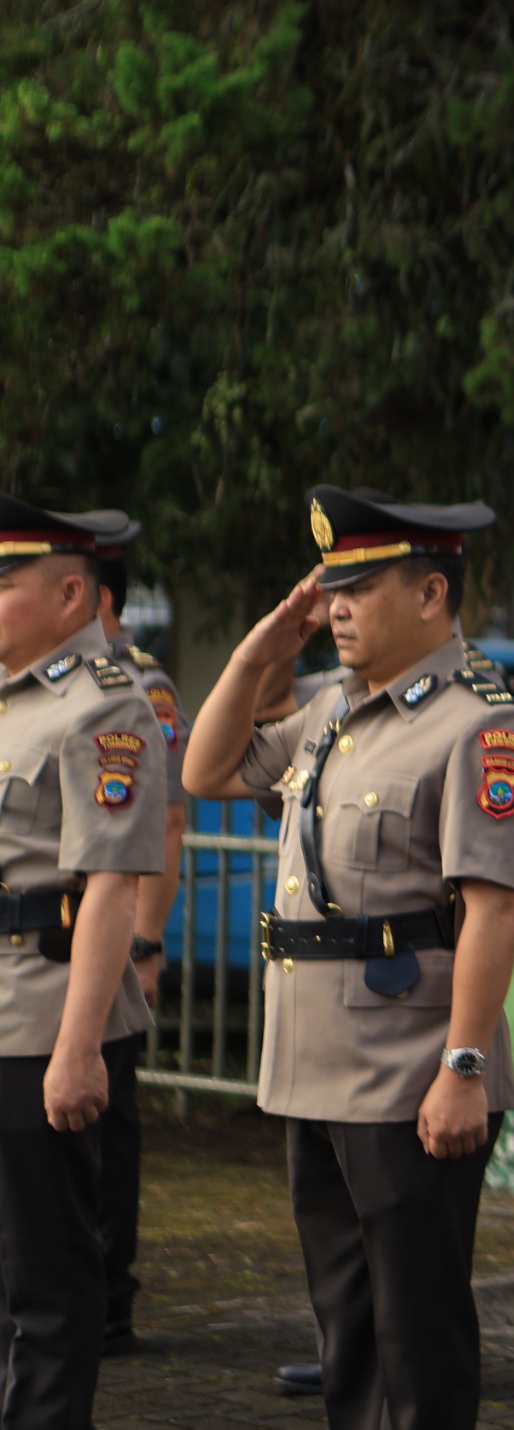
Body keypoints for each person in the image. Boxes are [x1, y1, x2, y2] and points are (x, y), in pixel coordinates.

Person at [184, 487, 514, 1430]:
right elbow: (206, 772)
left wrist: (463, 1068)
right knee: (346, 1337)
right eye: (331, 590)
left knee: (417, 1342)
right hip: (315, 1067)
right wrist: (260, 651)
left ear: (430, 594)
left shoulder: (479, 725)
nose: (336, 609)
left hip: (407, 1075)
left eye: (359, 589)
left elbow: (493, 910)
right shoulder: (332, 710)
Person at [0, 496, 163, 1426]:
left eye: (4, 583)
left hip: (43, 1017)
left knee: (52, 1280)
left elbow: (110, 886)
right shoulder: (12, 699)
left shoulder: (105, 707)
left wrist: (77, 1049)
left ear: (70, 594)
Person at [90, 521, 190, 1356]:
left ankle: (108, 1295)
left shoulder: (142, 686)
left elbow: (166, 823)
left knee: (107, 1120)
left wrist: (147, 945)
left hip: (113, 941)